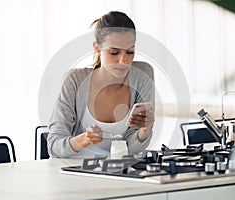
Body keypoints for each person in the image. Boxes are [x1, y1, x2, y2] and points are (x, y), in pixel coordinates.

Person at [47, 11, 155, 158]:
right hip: (75, 171)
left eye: (130, 52)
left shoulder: (142, 75)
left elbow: (132, 147)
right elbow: (54, 146)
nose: (123, 61)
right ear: (97, 48)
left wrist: (145, 131)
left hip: (120, 172)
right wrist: (85, 138)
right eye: (114, 52)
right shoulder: (74, 80)